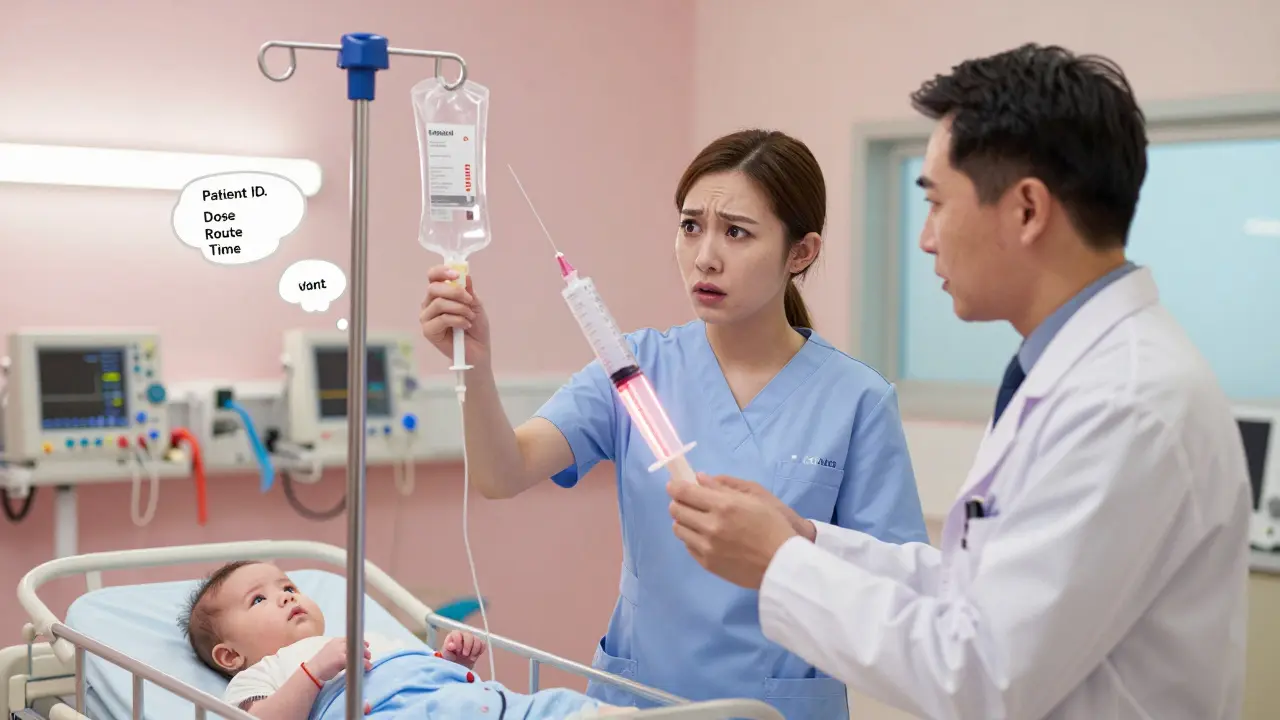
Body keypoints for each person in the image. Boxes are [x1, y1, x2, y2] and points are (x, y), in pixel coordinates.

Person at [666, 43, 1252, 720]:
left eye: (937, 202)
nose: (925, 238)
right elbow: (973, 588)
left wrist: (778, 564)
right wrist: (807, 541)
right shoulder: (1070, 374)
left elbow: (981, 674)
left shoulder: (1126, 402)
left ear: (1026, 210)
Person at [418, 128, 929, 718]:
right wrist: (475, 367)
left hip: (778, 706)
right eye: (691, 226)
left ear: (801, 252)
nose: (705, 255)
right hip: (637, 701)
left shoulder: (856, 399)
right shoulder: (633, 366)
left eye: (736, 232)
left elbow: (893, 587)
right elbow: (501, 472)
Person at [180, 560, 629, 719]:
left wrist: (450, 661)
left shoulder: (355, 636)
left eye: (288, 588)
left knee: (540, 706)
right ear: (229, 654)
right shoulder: (260, 674)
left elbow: (418, 674)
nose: (284, 598)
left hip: (461, 700)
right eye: (258, 600)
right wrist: (314, 673)